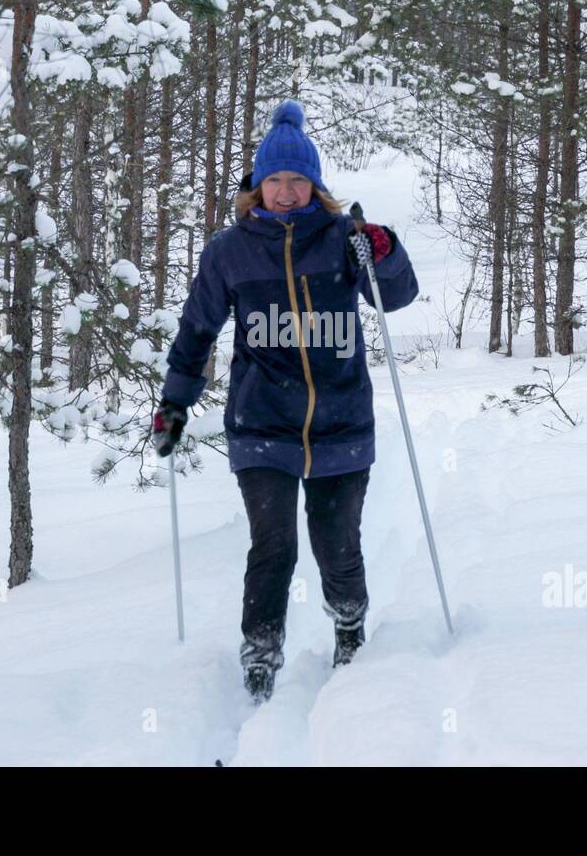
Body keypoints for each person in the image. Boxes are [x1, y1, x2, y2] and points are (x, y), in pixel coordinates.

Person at [152, 99, 418, 704]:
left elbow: (397, 296)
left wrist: (385, 249)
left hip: (341, 422)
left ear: (315, 185)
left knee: (338, 545)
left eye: (298, 179)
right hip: (261, 424)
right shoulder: (230, 252)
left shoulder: (344, 240)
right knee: (273, 546)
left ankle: (349, 625)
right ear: (257, 185)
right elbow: (197, 331)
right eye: (275, 179)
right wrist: (174, 403)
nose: (287, 191)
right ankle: (261, 650)